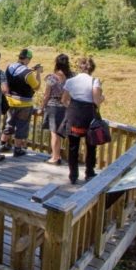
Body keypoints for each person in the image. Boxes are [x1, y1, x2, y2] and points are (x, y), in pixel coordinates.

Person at [61, 56, 105, 185]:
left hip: (74, 115)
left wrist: (72, 108)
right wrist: (103, 98)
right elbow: (96, 101)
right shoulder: (94, 81)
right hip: (89, 116)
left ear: (79, 67)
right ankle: (89, 172)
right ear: (92, 68)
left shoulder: (71, 81)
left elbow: (64, 100)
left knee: (73, 146)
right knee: (91, 145)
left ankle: (73, 175)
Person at [0, 49, 42, 157]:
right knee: (21, 126)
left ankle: (3, 144)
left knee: (9, 124)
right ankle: (17, 149)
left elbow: (9, 79)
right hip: (24, 104)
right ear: (27, 59)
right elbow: (36, 86)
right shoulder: (28, 73)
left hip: (11, 101)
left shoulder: (10, 67)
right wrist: (38, 73)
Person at [40, 54, 73, 165]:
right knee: (61, 132)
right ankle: (58, 155)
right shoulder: (71, 77)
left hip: (53, 106)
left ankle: (55, 157)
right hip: (66, 107)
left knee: (54, 133)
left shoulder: (52, 78)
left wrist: (42, 107)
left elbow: (46, 95)